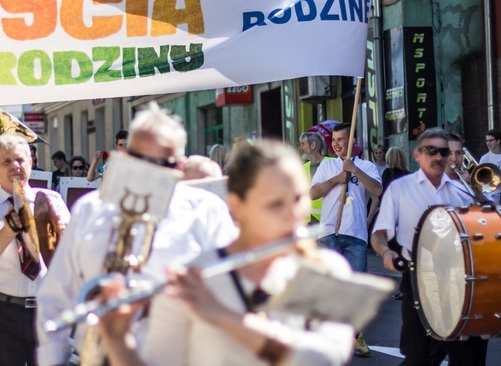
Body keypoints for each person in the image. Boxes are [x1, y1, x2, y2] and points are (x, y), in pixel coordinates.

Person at [97, 140, 355, 365]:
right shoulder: (194, 278)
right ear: (236, 206)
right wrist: (118, 340)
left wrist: (223, 316)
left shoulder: (327, 267)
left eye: (298, 198)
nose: (292, 214)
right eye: (274, 203)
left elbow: (324, 358)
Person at [36, 103, 237, 366]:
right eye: (139, 158)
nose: (148, 170)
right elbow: (55, 296)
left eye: (161, 162)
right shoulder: (91, 208)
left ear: (180, 164)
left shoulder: (206, 209)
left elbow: (233, 292)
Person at [371, 128, 482, 365]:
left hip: (456, 281)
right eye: (431, 150)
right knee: (418, 355)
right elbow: (378, 234)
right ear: (417, 155)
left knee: (465, 355)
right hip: (417, 277)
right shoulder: (401, 189)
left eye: (443, 151)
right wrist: (386, 251)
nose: (439, 156)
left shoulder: (462, 192)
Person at [0, 134, 70, 366]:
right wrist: (9, 229)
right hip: (2, 311)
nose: (15, 166)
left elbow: (68, 256)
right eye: (6, 162)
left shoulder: (52, 200)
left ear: (31, 163)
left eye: (20, 160)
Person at [309, 122, 382, 357]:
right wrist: (336, 179)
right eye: (334, 140)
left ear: (353, 142)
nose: (337, 143)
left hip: (355, 234)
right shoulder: (327, 166)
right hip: (329, 233)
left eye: (342, 139)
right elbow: (311, 194)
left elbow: (377, 191)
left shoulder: (367, 166)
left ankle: (356, 335)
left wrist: (354, 171)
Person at [300, 131, 332, 223]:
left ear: (313, 145)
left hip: (329, 221)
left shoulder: (332, 164)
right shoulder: (302, 169)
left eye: (303, 144)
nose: (300, 148)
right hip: (307, 222)